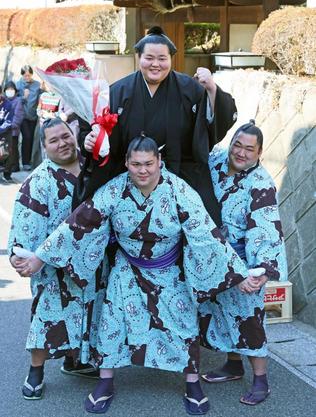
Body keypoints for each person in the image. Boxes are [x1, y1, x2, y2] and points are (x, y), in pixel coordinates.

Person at [17, 135, 262, 415]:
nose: (142, 170)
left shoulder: (179, 190)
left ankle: (192, 384)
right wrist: (40, 257)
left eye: (148, 163)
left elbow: (206, 234)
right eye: (135, 164)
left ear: (160, 162)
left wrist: (239, 274)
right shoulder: (115, 189)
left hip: (168, 270)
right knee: (112, 323)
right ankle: (105, 383)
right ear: (127, 164)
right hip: (127, 268)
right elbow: (80, 223)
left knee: (183, 326)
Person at [74, 26, 237, 227]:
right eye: (149, 58)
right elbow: (92, 127)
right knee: (97, 217)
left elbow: (217, 120)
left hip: (180, 174)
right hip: (131, 175)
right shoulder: (118, 91)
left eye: (162, 58)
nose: (155, 64)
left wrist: (212, 88)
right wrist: (90, 141)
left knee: (203, 223)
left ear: (171, 59)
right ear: (139, 58)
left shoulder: (189, 88)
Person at [7, 118, 100, 401]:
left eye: (65, 136)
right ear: (44, 147)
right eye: (54, 140)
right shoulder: (39, 180)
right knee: (47, 319)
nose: (63, 143)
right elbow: (25, 224)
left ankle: (76, 361)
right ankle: (35, 371)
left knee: (88, 315)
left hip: (90, 263)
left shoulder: (93, 167)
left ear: (73, 135)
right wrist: (20, 255)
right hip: (52, 267)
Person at [200, 122, 288, 405]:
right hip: (214, 257)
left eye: (249, 149)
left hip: (245, 259)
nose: (241, 152)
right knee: (220, 312)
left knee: (249, 319)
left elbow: (265, 227)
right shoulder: (216, 161)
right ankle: (233, 365)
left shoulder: (260, 183)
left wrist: (260, 269)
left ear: (259, 152)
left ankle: (261, 381)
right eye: (238, 144)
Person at [16, 65, 41, 171]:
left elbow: (42, 97)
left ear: (32, 74)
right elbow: (14, 100)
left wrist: (44, 90)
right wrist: (24, 97)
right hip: (22, 116)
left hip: (33, 116)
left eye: (29, 75)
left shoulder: (37, 84)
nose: (27, 77)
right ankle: (25, 162)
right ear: (22, 75)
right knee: (27, 137)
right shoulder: (18, 85)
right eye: (25, 75)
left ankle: (29, 161)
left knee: (31, 138)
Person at [31, 82, 61, 168]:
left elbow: (59, 111)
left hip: (53, 124)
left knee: (52, 145)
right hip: (42, 123)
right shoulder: (43, 96)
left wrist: (53, 116)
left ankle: (53, 166)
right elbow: (38, 110)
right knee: (42, 146)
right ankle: (45, 166)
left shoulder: (59, 96)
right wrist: (42, 114)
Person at [3, 81, 25, 173]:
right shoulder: (3, 100)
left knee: (13, 149)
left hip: (12, 131)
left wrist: (9, 126)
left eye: (11, 89)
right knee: (4, 149)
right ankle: (6, 166)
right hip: (3, 130)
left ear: (15, 91)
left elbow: (18, 116)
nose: (10, 91)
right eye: (8, 89)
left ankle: (15, 166)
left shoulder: (18, 101)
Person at [0, 86, 14, 182]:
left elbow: (8, 121)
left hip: (5, 132)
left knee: (6, 153)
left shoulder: (8, 104)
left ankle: (7, 173)